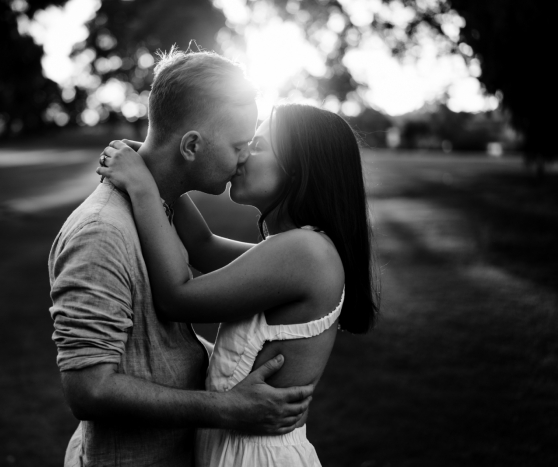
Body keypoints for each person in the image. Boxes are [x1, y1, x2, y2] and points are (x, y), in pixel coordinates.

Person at [48, 49, 314, 467]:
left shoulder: (160, 211)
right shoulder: (103, 232)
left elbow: (205, 251)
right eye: (238, 145)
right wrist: (223, 406)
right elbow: (88, 390)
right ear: (191, 145)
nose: (244, 159)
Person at [97, 103, 380, 466]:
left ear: (300, 167)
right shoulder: (296, 249)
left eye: (259, 146)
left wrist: (142, 188)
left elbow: (177, 297)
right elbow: (203, 245)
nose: (242, 155)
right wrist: (157, 167)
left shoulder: (306, 252)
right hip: (237, 446)